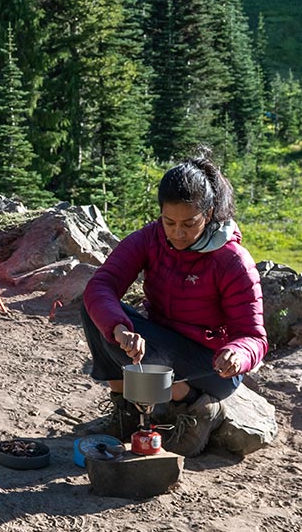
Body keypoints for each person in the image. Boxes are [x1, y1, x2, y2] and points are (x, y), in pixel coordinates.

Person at [81, 149, 266, 457]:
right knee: (97, 311)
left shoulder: (232, 260)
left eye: (189, 224)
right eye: (169, 222)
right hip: (163, 340)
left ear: (208, 215)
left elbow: (254, 336)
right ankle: (125, 412)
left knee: (154, 354)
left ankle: (196, 410)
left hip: (212, 366)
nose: (178, 233)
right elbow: (102, 285)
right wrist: (118, 328)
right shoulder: (151, 239)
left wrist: (237, 353)